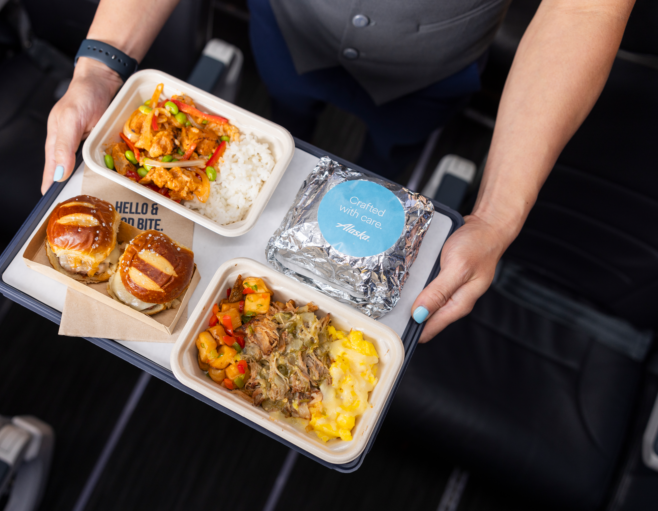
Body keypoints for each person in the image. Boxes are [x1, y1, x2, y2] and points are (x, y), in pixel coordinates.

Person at [41, 0, 636, 343]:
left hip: (430, 69)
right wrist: (101, 68)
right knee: (288, 115)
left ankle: (384, 177)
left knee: (391, 158)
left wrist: (500, 214)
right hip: (290, 26)